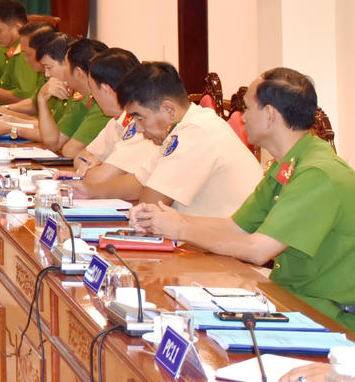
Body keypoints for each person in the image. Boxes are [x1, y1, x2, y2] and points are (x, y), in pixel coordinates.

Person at [130, 68, 355, 330]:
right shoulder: (288, 163)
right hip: (290, 297)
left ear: (269, 115)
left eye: (247, 108)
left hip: (326, 315)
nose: (241, 116)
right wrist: (167, 219)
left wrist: (181, 229)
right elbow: (235, 226)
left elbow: (258, 250)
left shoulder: (317, 173)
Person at [118, 62, 260, 217]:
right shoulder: (182, 127)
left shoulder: (197, 130)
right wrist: (95, 189)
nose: (138, 128)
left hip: (220, 231)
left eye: (139, 118)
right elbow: (139, 182)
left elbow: (148, 207)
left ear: (168, 109)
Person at [70, 49, 160, 199]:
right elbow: (79, 157)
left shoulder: (141, 125)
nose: (92, 96)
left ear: (106, 90)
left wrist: (96, 165)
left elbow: (97, 180)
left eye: (93, 90)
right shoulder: (116, 120)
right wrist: (95, 163)